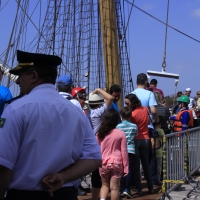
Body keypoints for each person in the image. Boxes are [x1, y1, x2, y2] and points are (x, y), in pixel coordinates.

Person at [0, 50, 102, 200]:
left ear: (34, 76)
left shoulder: (15, 110)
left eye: (21, 75)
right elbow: (94, 158)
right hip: (65, 194)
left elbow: (3, 166)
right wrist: (63, 177)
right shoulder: (76, 112)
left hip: (24, 195)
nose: (17, 81)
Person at [84, 88, 114, 200]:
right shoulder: (99, 112)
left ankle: (95, 197)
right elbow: (110, 98)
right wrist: (98, 90)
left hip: (90, 144)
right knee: (104, 174)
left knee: (95, 174)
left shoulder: (87, 114)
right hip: (101, 144)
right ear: (98, 103)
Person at [96, 109, 129, 200]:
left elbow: (96, 149)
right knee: (114, 188)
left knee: (104, 185)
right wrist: (126, 167)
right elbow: (124, 152)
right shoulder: (121, 134)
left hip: (103, 163)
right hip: (117, 163)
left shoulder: (100, 133)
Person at [125, 94, 154, 195]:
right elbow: (149, 121)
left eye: (127, 103)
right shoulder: (146, 109)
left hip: (136, 140)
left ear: (132, 102)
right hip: (146, 138)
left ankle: (139, 189)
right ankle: (151, 187)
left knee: (136, 167)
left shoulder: (132, 114)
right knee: (146, 164)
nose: (126, 105)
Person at [116, 107, 138, 198]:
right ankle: (127, 189)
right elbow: (135, 135)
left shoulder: (118, 126)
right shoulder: (134, 126)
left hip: (121, 151)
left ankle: (121, 188)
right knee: (129, 169)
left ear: (121, 115)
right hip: (131, 149)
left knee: (121, 170)